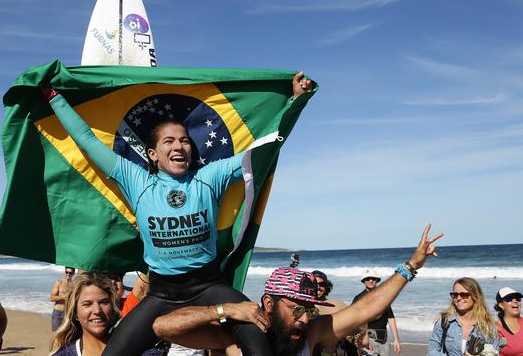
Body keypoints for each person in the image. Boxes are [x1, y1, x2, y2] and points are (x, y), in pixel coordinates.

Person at [42, 71, 315, 356]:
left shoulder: (209, 177)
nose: (179, 146)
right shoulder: (137, 181)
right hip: (162, 293)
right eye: (169, 141)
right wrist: (53, 98)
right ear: (152, 154)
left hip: (209, 284)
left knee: (258, 333)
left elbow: (262, 151)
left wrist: (294, 103)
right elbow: (86, 140)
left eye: (184, 140)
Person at [152, 224, 443, 356]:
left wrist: (411, 265)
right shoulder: (236, 336)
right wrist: (224, 309)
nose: (304, 319)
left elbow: (368, 308)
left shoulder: (311, 334)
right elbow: (163, 327)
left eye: (308, 309)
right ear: (269, 303)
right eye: (294, 310)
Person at [49, 272, 121, 355]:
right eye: (87, 304)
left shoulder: (131, 349)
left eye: (104, 302)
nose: (97, 310)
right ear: (75, 312)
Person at [428, 277, 500, 356]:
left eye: (464, 295)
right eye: (455, 295)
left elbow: (494, 353)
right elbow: (432, 351)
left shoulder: (488, 326)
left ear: (475, 296)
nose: (458, 298)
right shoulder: (444, 322)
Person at [352, 269, 401, 355]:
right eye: (368, 279)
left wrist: (396, 339)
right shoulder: (359, 298)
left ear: (377, 281)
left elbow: (391, 318)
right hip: (368, 340)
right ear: (363, 281)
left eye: (373, 279)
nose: (371, 281)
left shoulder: (384, 297)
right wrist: (363, 340)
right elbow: (353, 320)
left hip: (384, 341)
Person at [312, 270, 358, 356]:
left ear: (326, 287)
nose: (318, 287)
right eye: (314, 284)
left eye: (322, 284)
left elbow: (358, 324)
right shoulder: (301, 307)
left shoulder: (337, 305)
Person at [494, 287, 522, 356]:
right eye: (509, 299)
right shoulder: (495, 328)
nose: (515, 301)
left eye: (518, 299)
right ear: (501, 305)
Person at [50, 266, 75, 331]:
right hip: (57, 312)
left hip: (68, 312)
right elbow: (52, 298)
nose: (68, 274)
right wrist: (63, 297)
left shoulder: (74, 284)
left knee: (66, 335)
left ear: (73, 273)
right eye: (66, 272)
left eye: (70, 273)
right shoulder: (59, 282)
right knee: (56, 334)